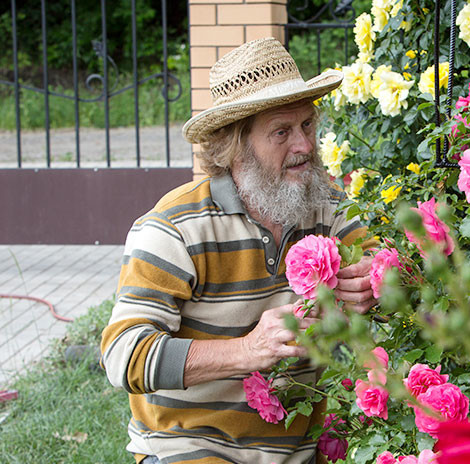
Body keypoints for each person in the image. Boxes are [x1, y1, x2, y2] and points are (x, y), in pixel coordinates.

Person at [100, 38, 376, 464]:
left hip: (298, 453)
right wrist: (247, 351)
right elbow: (123, 356)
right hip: (192, 448)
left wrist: (376, 283)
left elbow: (391, 278)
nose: (303, 145)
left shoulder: (328, 207)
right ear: (235, 147)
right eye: (281, 132)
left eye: (307, 125)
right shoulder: (175, 229)